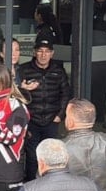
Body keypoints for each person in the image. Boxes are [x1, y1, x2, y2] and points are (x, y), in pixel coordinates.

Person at [16, 38, 71, 180]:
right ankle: (31, 187)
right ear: (35, 52)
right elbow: (16, 96)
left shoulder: (58, 71)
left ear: (52, 53)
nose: (43, 54)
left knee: (51, 158)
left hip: (52, 121)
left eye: (47, 51)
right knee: (33, 158)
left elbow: (66, 94)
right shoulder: (24, 70)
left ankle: (50, 185)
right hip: (31, 121)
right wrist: (23, 89)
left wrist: (60, 115)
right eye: (40, 51)